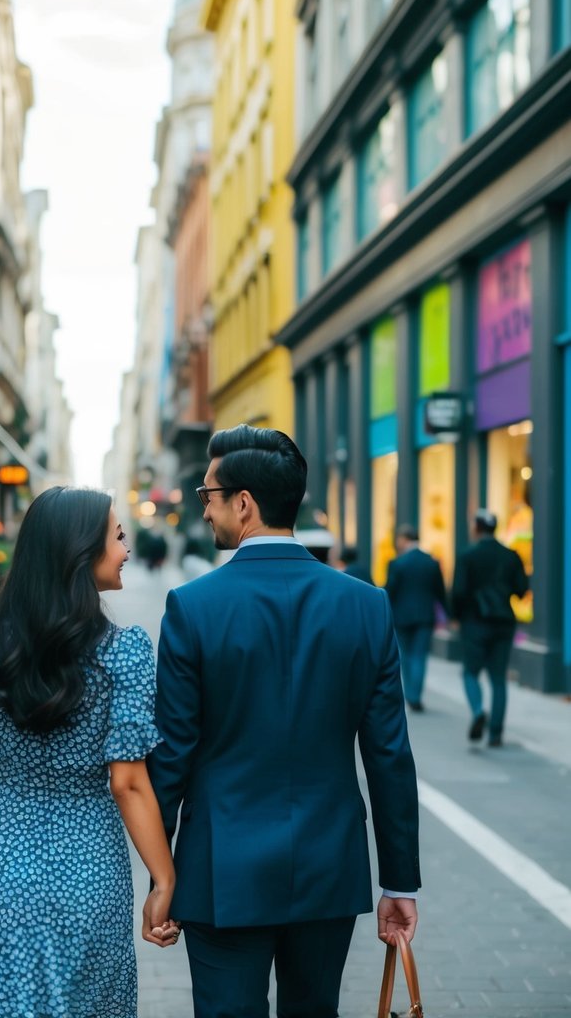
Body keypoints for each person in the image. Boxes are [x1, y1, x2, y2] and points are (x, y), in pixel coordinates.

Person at [148, 424, 420, 1018]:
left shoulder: (193, 607)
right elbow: (389, 755)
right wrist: (398, 882)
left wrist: (161, 875)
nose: (207, 509)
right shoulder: (365, 605)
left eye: (208, 495)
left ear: (242, 504)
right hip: (329, 864)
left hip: (221, 868)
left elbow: (171, 755)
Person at [0, 487, 179, 1018]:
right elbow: (127, 783)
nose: (125, 548)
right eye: (117, 536)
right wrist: (163, 879)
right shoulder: (125, 651)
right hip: (90, 873)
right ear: (81, 552)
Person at [451, 508, 529, 747]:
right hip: (504, 622)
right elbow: (521, 589)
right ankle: (496, 733)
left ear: (476, 528)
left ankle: (477, 711)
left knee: (470, 672)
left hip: (475, 622)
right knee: (498, 678)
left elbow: (459, 591)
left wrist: (456, 617)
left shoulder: (467, 556)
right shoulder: (510, 555)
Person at [384, 525, 447, 712]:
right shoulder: (431, 562)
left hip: (401, 617)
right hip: (425, 616)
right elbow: (440, 592)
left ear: (404, 539)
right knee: (420, 656)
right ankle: (415, 695)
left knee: (406, 655)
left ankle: (410, 693)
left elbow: (390, 591)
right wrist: (449, 613)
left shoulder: (397, 563)